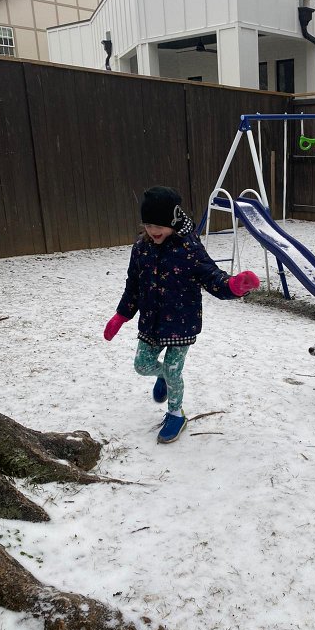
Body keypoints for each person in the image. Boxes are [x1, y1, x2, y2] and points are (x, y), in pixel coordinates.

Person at [104, 185, 259, 443]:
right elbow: (133, 285)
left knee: (174, 371)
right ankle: (162, 376)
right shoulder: (141, 248)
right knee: (142, 365)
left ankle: (176, 414)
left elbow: (212, 276)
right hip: (151, 321)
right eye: (148, 225)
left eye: (159, 225)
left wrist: (233, 286)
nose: (153, 231)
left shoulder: (189, 248)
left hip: (181, 323)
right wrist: (121, 315)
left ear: (174, 221)